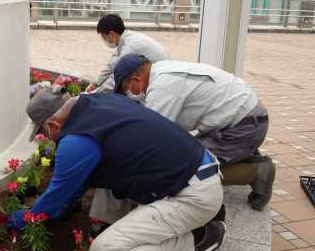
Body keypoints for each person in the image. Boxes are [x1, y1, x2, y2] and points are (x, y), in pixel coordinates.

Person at [10, 88, 225, 251]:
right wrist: (64, 207)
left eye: (44, 133)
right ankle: (188, 223)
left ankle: (198, 241)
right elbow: (78, 182)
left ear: (53, 124)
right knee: (108, 184)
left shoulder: (76, 141)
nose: (48, 138)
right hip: (198, 170)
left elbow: (57, 194)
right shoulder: (99, 101)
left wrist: (24, 219)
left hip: (193, 196)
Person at [113, 53, 275, 211]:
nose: (128, 92)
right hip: (242, 120)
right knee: (184, 149)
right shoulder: (161, 70)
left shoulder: (162, 88)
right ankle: (240, 154)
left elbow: (152, 136)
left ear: (136, 79)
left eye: (126, 88)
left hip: (243, 128)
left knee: (184, 168)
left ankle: (255, 172)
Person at [85, 14, 170, 93]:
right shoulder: (125, 40)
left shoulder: (131, 45)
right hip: (155, 75)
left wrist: (94, 94)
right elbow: (111, 65)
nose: (104, 40)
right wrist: (95, 84)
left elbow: (116, 75)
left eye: (104, 37)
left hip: (163, 81)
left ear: (111, 34)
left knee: (126, 89)